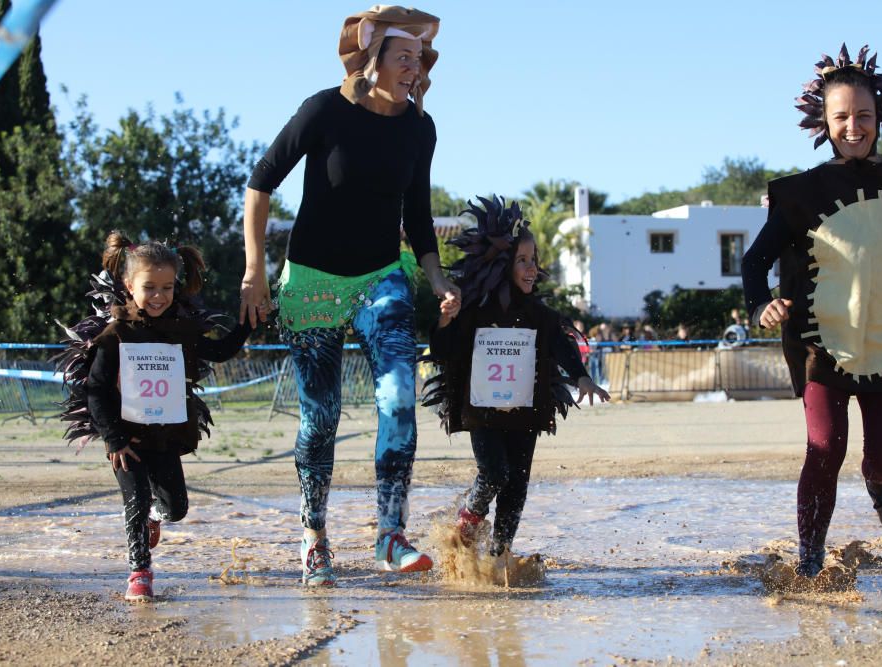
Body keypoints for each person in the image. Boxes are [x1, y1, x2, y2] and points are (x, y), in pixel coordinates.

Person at [239, 6, 460, 584]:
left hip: (380, 278)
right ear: (373, 59)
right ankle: (313, 534)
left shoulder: (420, 127)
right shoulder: (324, 110)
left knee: (399, 398)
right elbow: (261, 183)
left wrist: (437, 281)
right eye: (404, 56)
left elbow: (418, 213)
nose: (415, 67)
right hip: (310, 284)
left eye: (420, 58)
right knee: (322, 417)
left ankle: (390, 534)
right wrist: (254, 272)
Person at [741, 44, 882, 577]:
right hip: (824, 342)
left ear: (879, 115)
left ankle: (880, 485)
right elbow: (755, 262)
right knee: (823, 447)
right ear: (824, 119)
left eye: (863, 115)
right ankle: (811, 562)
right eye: (841, 116)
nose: (853, 126)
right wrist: (760, 306)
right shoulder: (801, 194)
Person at [60, 232, 252, 602]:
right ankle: (140, 573)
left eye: (167, 287)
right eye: (150, 287)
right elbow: (95, 389)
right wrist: (113, 438)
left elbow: (221, 350)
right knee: (134, 498)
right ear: (130, 286)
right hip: (127, 441)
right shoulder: (117, 334)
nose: (159, 296)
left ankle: (155, 518)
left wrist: (248, 322)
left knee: (176, 507)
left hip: (165, 436)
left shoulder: (181, 331)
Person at [423, 197, 610, 558]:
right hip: (483, 412)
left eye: (533, 260)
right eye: (521, 260)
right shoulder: (473, 311)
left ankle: (499, 557)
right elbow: (444, 351)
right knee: (494, 474)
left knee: (516, 487)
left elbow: (562, 342)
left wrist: (582, 378)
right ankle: (468, 519)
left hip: (526, 411)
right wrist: (446, 319)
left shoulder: (539, 313)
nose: (530, 268)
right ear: (499, 264)